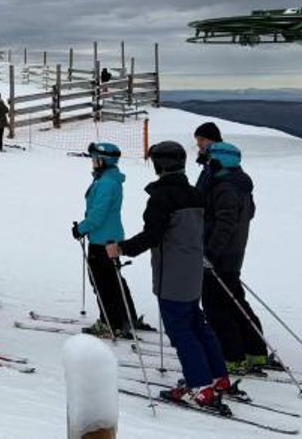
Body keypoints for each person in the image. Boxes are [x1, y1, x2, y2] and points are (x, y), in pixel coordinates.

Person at [105, 141, 233, 414]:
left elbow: (153, 235)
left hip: (172, 272)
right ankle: (218, 377)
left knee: (181, 330)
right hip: (193, 269)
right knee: (197, 323)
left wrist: (122, 248)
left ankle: (200, 387)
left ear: (158, 165)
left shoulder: (161, 198)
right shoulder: (194, 194)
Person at [197, 141, 269, 375]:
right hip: (232, 253)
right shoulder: (236, 183)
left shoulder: (226, 187)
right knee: (234, 300)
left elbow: (225, 223)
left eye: (210, 158)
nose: (206, 162)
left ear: (220, 160)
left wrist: (210, 253)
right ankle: (254, 350)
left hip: (221, 255)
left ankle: (232, 356)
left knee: (216, 306)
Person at [71, 142, 147, 339]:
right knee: (114, 280)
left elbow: (98, 215)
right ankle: (126, 317)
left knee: (103, 283)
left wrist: (81, 228)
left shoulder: (106, 183)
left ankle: (111, 323)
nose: (93, 163)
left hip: (102, 240)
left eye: (95, 159)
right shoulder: (108, 179)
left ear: (103, 161)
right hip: (109, 237)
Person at [193, 122, 222, 191]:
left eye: (202, 139)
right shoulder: (209, 165)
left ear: (214, 140)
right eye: (197, 140)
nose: (198, 144)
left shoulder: (222, 166)